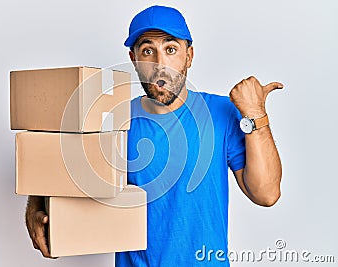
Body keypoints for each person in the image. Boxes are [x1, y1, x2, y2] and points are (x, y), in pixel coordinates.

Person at [25, 5, 283, 266]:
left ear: (189, 55)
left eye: (170, 49)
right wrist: (36, 208)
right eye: (148, 51)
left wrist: (256, 114)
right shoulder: (112, 118)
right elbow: (58, 165)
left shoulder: (221, 113)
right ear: (133, 58)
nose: (160, 65)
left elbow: (266, 194)